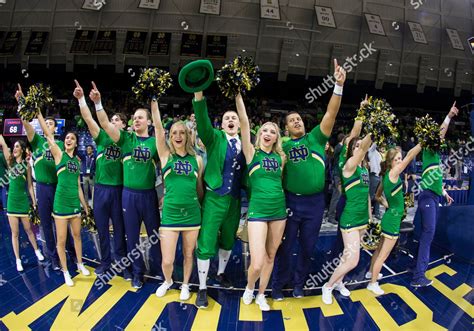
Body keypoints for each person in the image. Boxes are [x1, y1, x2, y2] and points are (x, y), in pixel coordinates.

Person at [272, 59, 346, 300]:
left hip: (315, 204)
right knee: (285, 246)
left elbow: (331, 113)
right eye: (292, 120)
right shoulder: (280, 144)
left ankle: (298, 283)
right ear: (285, 129)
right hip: (291, 202)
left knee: (307, 246)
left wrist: (338, 86)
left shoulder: (315, 138)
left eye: (299, 119)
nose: (297, 121)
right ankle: (278, 283)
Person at [94, 81, 162, 289]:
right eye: (134, 117)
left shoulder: (155, 142)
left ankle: (160, 270)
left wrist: (153, 100)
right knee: (132, 237)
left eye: (140, 117)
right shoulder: (125, 139)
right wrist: (98, 103)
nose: (136, 119)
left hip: (149, 195)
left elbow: (160, 128)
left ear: (148, 122)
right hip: (128, 195)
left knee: (154, 234)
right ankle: (137, 272)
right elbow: (105, 124)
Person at [192, 91, 246, 308]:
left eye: (234, 118)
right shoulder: (214, 138)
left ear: (240, 124)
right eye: (226, 118)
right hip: (214, 197)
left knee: (228, 240)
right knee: (206, 242)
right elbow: (203, 123)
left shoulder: (247, 144)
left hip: (235, 200)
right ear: (221, 125)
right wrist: (199, 96)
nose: (231, 120)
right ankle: (202, 287)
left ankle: (221, 273)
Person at [73, 80, 130, 279]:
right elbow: (90, 120)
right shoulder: (102, 138)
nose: (112, 122)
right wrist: (81, 100)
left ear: (124, 124)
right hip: (101, 189)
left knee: (120, 229)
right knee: (102, 228)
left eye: (117, 120)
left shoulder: (127, 141)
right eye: (111, 119)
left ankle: (122, 263)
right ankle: (105, 262)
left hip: (120, 190)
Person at [15, 84, 75, 271]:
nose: (47, 125)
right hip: (43, 187)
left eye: (50, 124)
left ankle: (72, 254)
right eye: (45, 123)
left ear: (55, 128)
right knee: (47, 226)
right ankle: (53, 258)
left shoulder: (61, 144)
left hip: (59, 187)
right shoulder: (37, 141)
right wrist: (22, 103)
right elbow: (26, 123)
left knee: (64, 222)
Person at [236, 93, 287, 311]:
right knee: (257, 262)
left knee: (270, 256)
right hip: (257, 211)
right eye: (265, 130)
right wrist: (238, 94)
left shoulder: (280, 158)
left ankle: (261, 294)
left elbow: (280, 183)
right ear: (259, 135)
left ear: (277, 138)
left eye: (272, 131)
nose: (268, 133)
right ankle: (249, 288)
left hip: (279, 210)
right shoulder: (251, 153)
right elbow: (245, 122)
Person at [151, 99, 204, 301]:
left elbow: (199, 188)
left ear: (188, 136)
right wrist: (155, 103)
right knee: (168, 259)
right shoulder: (165, 155)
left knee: (189, 255)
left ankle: (185, 284)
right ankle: (168, 280)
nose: (178, 136)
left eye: (182, 132)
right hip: (171, 214)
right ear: (170, 137)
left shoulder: (197, 160)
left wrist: (198, 204)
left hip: (192, 214)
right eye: (174, 133)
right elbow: (157, 128)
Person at [36, 109, 91, 286]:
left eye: (72, 139)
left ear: (76, 144)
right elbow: (47, 133)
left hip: (74, 203)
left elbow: (78, 186)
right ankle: (66, 271)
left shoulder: (77, 162)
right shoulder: (58, 154)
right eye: (67, 138)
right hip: (60, 203)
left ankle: (80, 264)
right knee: (61, 240)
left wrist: (85, 205)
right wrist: (37, 113)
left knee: (77, 236)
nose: (68, 140)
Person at [322, 133, 372, 304]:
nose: (360, 148)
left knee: (346, 255)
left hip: (363, 218)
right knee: (353, 260)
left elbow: (366, 196)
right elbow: (363, 147)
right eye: (355, 146)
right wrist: (375, 129)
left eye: (361, 145)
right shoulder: (349, 166)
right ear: (351, 150)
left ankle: (339, 282)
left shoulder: (365, 168)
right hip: (350, 218)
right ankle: (327, 286)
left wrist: (370, 217)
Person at [411, 103, 457, 287]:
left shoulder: (435, 155)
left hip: (432, 195)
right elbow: (439, 134)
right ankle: (418, 277)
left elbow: (436, 179)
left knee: (423, 232)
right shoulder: (430, 149)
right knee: (428, 233)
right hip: (428, 197)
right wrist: (448, 116)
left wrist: (445, 192)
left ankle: (413, 266)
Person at [366, 144, 422, 295]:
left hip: (389, 216)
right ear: (390, 161)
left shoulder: (385, 176)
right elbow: (410, 155)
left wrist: (387, 205)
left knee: (378, 250)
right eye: (396, 159)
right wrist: (423, 142)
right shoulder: (394, 172)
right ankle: (372, 284)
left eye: (400, 158)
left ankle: (371, 273)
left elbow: (377, 196)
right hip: (393, 220)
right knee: (383, 255)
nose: (400, 161)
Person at [0, 136, 45, 271]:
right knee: (15, 233)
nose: (14, 148)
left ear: (23, 150)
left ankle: (37, 251)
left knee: (29, 230)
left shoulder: (27, 166)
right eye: (14, 147)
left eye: (17, 146)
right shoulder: (10, 162)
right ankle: (18, 260)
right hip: (12, 201)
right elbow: (2, 143)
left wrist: (34, 202)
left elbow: (30, 186)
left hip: (23, 201)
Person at [368, 143, 382, 218]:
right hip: (373, 176)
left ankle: (377, 213)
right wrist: (380, 135)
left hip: (379, 176)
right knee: (370, 195)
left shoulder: (378, 153)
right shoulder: (370, 151)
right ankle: (368, 214)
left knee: (378, 195)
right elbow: (375, 144)